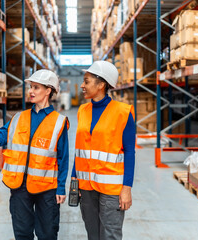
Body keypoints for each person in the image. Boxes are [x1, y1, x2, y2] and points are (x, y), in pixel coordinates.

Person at [0, 70, 69, 240]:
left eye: (36, 87)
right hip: (20, 187)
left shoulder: (59, 122)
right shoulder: (18, 118)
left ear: (48, 90)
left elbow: (63, 158)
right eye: (30, 87)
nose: (31, 91)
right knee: (22, 233)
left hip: (46, 187)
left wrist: (61, 187)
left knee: (47, 234)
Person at [71, 61, 136, 240]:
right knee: (92, 234)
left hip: (111, 188)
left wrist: (127, 189)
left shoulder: (123, 112)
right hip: (86, 185)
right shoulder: (83, 110)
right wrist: (74, 178)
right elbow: (80, 149)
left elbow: (130, 152)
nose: (82, 85)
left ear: (101, 85)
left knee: (110, 235)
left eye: (87, 81)